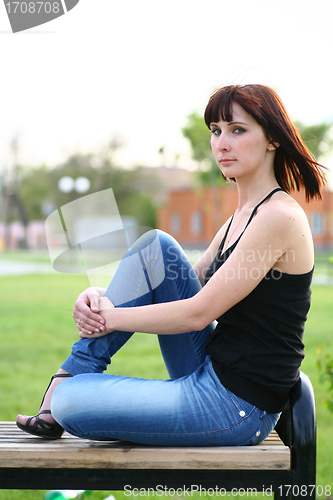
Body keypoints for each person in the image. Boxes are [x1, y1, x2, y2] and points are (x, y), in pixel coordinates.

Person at [17, 84, 325, 446]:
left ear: (272, 138)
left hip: (237, 406)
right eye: (216, 131)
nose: (221, 143)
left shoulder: (279, 217)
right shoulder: (242, 215)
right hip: (211, 370)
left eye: (237, 130)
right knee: (155, 247)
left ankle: (61, 392)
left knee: (73, 402)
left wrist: (108, 316)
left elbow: (197, 313)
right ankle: (70, 375)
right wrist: (102, 296)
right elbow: (178, 284)